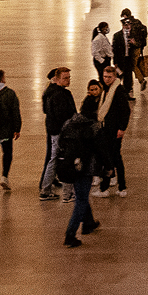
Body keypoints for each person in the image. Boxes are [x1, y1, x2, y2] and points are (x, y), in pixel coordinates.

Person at [58, 88, 101, 247]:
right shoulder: (93, 126)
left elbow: (61, 143)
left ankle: (88, 223)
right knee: (81, 200)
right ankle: (70, 234)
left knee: (82, 194)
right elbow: (99, 149)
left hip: (71, 166)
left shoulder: (69, 123)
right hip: (86, 167)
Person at [92, 64, 131, 197]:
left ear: (114, 77)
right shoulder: (107, 89)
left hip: (114, 130)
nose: (106, 79)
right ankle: (120, 186)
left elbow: (126, 111)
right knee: (113, 159)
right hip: (107, 129)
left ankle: (106, 188)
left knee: (111, 159)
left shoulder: (118, 91)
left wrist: (122, 128)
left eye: (109, 77)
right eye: (104, 77)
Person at [38, 67, 76, 199]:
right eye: (65, 78)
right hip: (60, 132)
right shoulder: (60, 95)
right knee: (59, 159)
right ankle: (56, 191)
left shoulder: (51, 92)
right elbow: (63, 116)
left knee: (54, 158)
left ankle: (46, 188)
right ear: (57, 79)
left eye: (69, 78)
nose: (68, 80)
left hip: (53, 130)